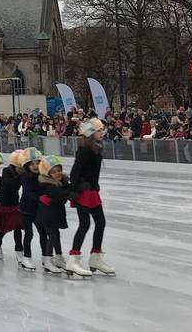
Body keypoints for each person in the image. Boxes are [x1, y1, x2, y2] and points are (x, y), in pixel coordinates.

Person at [69, 118, 116, 276]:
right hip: (83, 193)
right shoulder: (84, 150)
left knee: (100, 222)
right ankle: (73, 259)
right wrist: (77, 189)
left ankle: (95, 257)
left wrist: (94, 185)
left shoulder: (96, 147)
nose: (102, 132)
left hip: (92, 192)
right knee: (84, 225)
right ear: (90, 133)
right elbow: (74, 173)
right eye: (99, 130)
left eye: (102, 130)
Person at [37, 155, 82, 276]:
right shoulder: (48, 185)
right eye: (54, 172)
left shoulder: (61, 182)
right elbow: (61, 194)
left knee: (56, 235)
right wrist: (74, 192)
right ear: (48, 174)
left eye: (59, 170)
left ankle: (58, 257)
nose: (58, 173)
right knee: (52, 236)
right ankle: (48, 260)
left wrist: (74, 185)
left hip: (55, 213)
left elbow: (66, 190)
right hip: (47, 215)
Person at [0, 149, 25, 263]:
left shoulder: (22, 172)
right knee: (5, 227)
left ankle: (19, 250)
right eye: (20, 166)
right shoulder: (7, 171)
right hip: (4, 203)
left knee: (17, 227)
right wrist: (20, 176)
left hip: (15, 202)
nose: (22, 168)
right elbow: (8, 185)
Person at [17, 146, 45, 272]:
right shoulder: (25, 177)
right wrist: (40, 198)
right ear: (27, 165)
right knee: (29, 233)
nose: (35, 166)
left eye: (37, 163)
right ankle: (26, 257)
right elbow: (28, 193)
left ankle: (46, 257)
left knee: (43, 233)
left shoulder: (42, 175)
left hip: (38, 210)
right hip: (26, 209)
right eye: (32, 164)